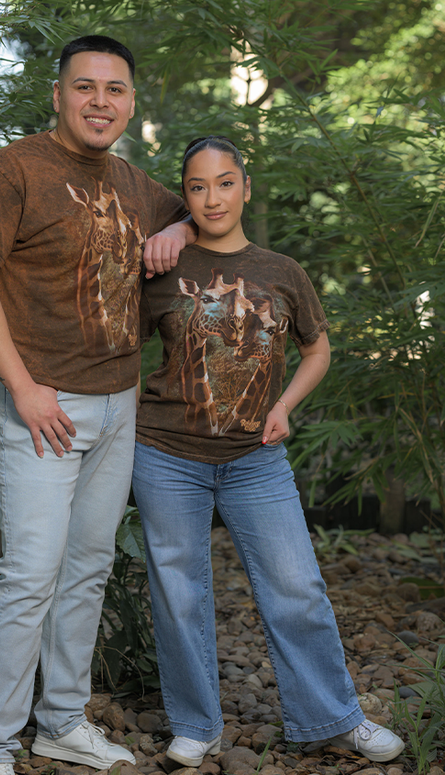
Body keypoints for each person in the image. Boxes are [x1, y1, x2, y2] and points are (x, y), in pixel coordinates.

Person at [0, 35, 195, 775]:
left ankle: (60, 721)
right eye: (84, 87)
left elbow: (193, 209)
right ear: (57, 95)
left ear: (128, 101)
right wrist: (23, 387)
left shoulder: (132, 181)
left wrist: (179, 225)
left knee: (86, 567)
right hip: (40, 406)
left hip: (118, 403)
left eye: (114, 89)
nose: (99, 101)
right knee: (31, 571)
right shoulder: (15, 167)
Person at [131, 136, 405, 768]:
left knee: (296, 586)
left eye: (225, 183)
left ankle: (331, 718)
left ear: (245, 188)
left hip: (256, 459)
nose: (212, 197)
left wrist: (283, 406)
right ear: (186, 195)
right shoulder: (164, 267)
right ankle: (196, 726)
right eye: (197, 187)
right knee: (179, 593)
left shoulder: (282, 271)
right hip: (167, 455)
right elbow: (119, 351)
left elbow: (318, 350)